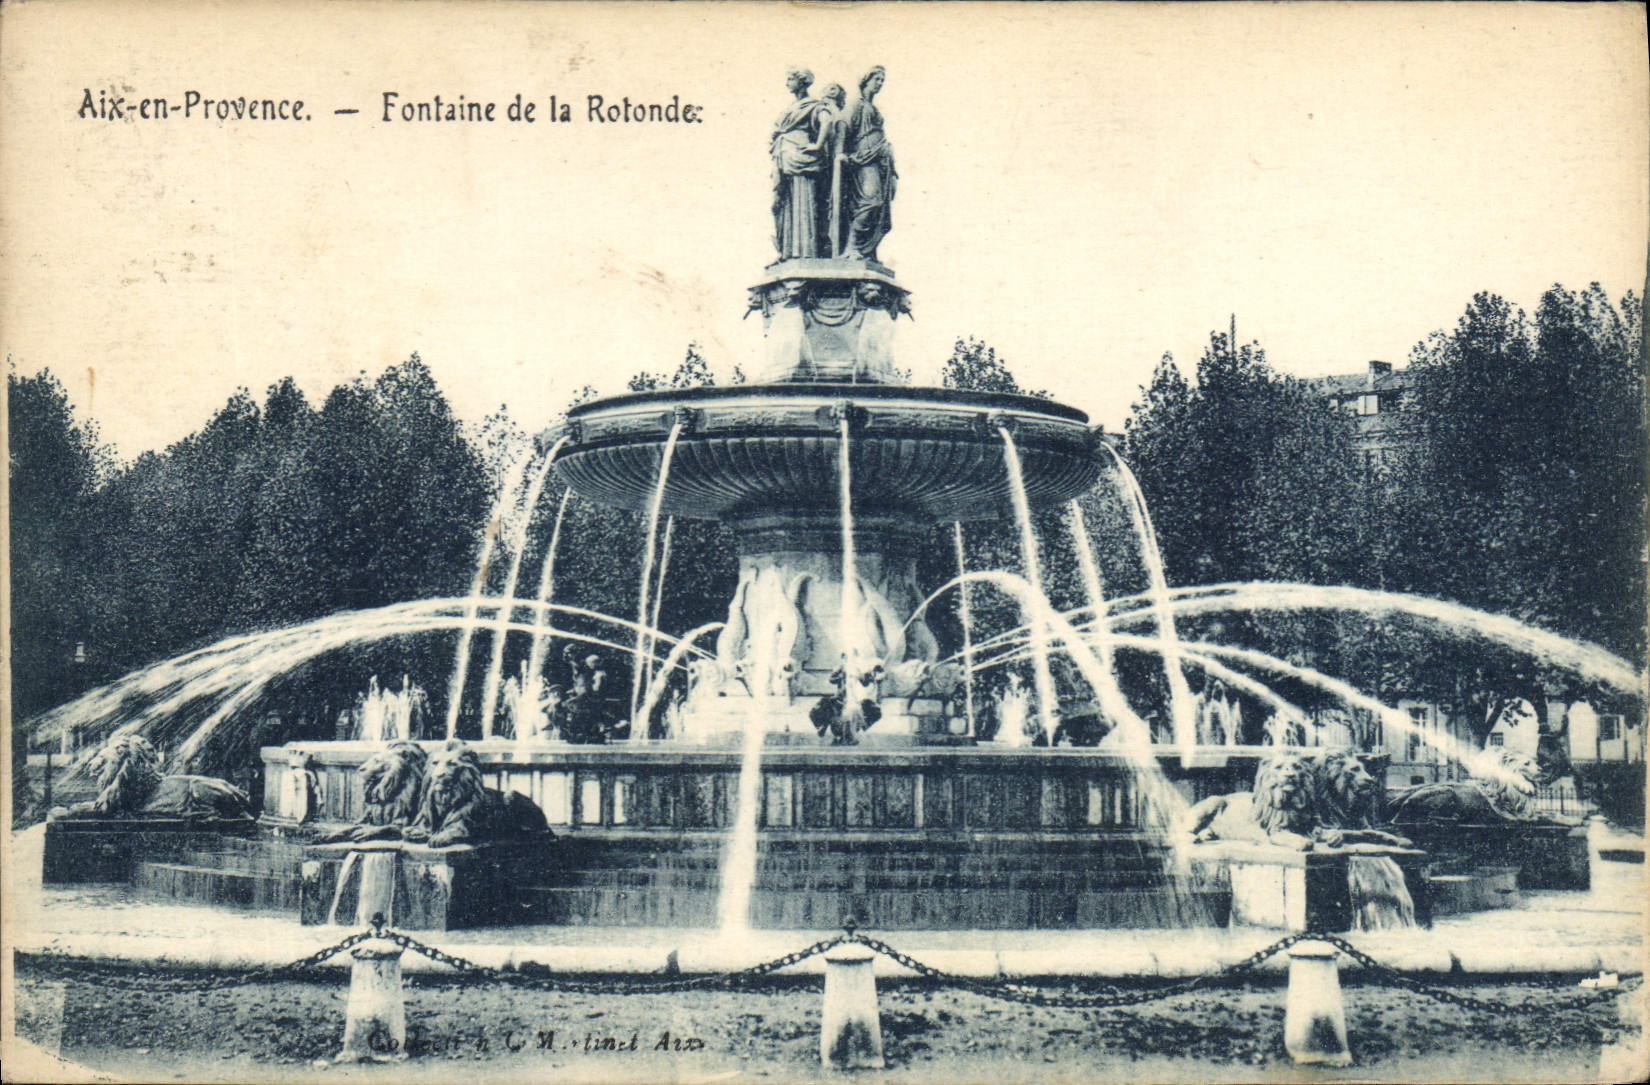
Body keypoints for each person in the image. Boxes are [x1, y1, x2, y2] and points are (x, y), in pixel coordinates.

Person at [770, 67, 832, 260]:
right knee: (783, 204)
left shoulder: (812, 105)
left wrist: (818, 144)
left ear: (802, 81)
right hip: (784, 158)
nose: (787, 83)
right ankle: (788, 251)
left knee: (803, 200)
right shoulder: (791, 107)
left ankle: (805, 251)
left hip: (801, 157)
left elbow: (827, 120)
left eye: (790, 79)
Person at [838, 66, 896, 262]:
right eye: (877, 79)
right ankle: (851, 247)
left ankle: (866, 250)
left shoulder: (874, 109)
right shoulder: (857, 105)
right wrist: (840, 153)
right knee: (871, 201)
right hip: (863, 159)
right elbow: (843, 126)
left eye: (882, 80)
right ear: (866, 80)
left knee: (880, 209)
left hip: (881, 161)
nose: (880, 84)